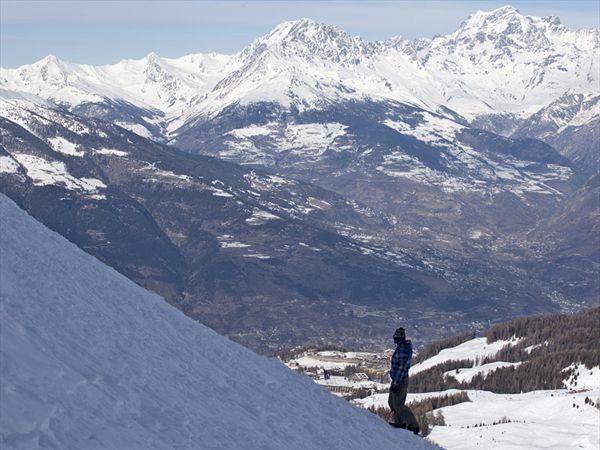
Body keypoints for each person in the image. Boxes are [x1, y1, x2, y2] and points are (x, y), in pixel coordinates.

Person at [388, 327, 420, 434]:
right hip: (397, 379)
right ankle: (399, 422)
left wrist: (396, 383)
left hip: (400, 380)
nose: (394, 338)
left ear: (399, 338)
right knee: (392, 402)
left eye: (395, 337)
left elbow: (402, 368)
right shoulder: (401, 346)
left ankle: (413, 426)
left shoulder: (403, 349)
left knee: (398, 405)